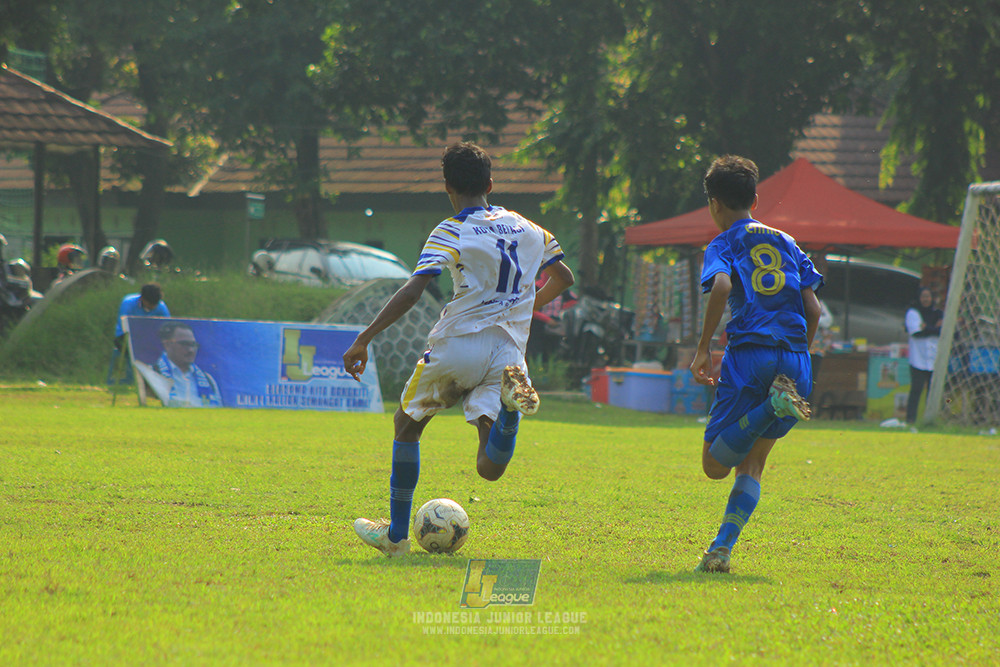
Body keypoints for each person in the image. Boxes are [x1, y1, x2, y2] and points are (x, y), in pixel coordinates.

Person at [344, 142, 574, 557]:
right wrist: (522, 308)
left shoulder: (451, 229)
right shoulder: (529, 228)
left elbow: (415, 288)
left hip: (458, 344)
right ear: (490, 183)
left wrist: (364, 337)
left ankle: (395, 537)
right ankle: (507, 411)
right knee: (489, 467)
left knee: (407, 425)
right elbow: (563, 276)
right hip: (508, 354)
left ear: (448, 187)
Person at [689, 155, 823, 574]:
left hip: (751, 354)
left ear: (713, 203)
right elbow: (814, 308)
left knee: (714, 465)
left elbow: (723, 284)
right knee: (753, 464)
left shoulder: (724, 242)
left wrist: (703, 346)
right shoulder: (787, 242)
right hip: (796, 357)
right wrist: (797, 358)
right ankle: (721, 549)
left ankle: (771, 404)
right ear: (755, 198)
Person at [108, 283, 170, 384]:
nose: (153, 307)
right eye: (150, 304)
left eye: (155, 304)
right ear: (143, 299)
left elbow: (167, 327)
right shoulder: (128, 303)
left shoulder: (161, 307)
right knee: (135, 350)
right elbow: (124, 326)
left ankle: (156, 381)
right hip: (125, 337)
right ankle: (134, 380)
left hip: (149, 339)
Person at [154, 322, 222, 407]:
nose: (191, 350)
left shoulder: (208, 380)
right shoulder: (153, 374)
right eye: (184, 344)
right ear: (167, 345)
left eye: (193, 345)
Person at [905, 286, 942, 426]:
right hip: (918, 358)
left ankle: (930, 419)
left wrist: (927, 327)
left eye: (928, 296)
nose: (926, 299)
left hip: (934, 358)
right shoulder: (913, 312)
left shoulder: (938, 313)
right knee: (916, 389)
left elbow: (942, 330)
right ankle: (910, 419)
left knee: (932, 392)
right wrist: (933, 329)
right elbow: (916, 332)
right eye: (923, 296)